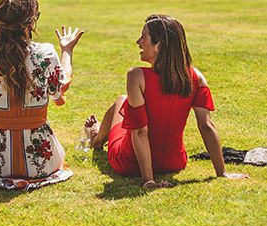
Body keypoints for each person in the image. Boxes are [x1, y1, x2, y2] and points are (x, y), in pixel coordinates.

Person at [85, 14, 248, 189]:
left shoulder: (136, 76)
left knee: (121, 100)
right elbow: (207, 126)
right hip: (174, 162)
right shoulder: (197, 77)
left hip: (130, 163)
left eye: (143, 37)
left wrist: (148, 179)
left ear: (159, 44)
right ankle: (97, 136)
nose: (138, 42)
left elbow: (140, 132)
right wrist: (221, 172)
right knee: (126, 107)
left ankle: (96, 139)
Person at [0, 0, 84, 189]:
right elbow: (62, 85)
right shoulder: (46, 52)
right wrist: (66, 50)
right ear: (31, 21)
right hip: (41, 160)